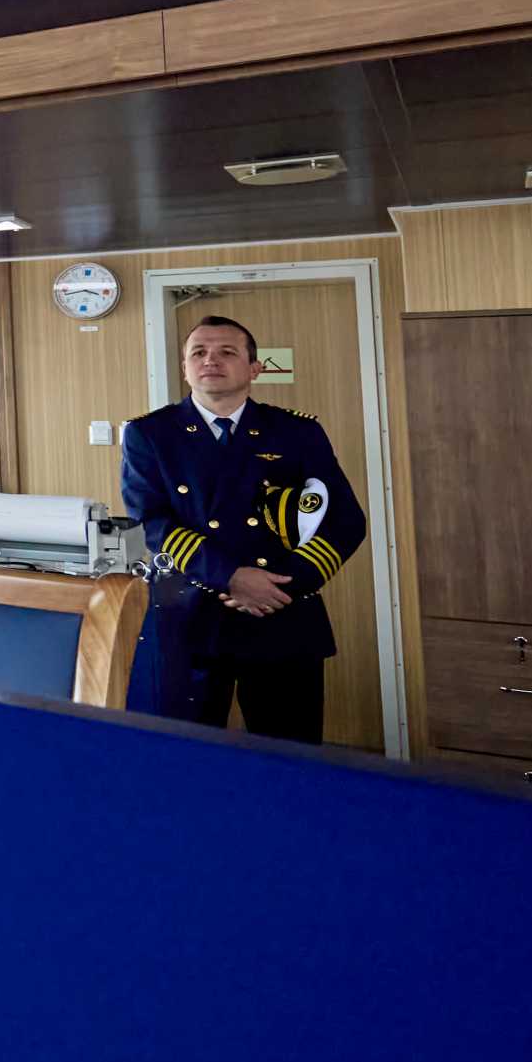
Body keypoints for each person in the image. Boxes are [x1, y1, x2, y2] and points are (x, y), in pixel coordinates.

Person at [121, 314, 366, 744]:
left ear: (255, 368)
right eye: (198, 352)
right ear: (184, 367)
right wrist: (231, 577)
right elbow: (153, 521)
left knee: (290, 755)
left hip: (281, 612)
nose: (210, 360)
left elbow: (344, 520)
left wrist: (280, 586)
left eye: (227, 352)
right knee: (190, 755)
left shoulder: (296, 431)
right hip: (193, 613)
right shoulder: (151, 434)